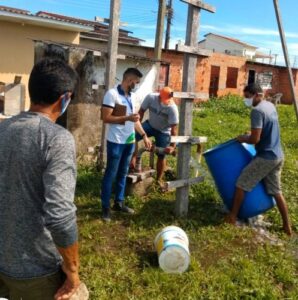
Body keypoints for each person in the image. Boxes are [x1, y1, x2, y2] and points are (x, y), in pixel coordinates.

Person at [0, 58, 82, 299]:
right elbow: (60, 215)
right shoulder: (57, 139)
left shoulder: (3, 130)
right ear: (64, 98)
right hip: (38, 271)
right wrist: (72, 269)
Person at [225, 83, 292, 236]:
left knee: (241, 183)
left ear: (256, 95)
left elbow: (255, 139)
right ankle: (287, 226)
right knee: (276, 191)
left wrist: (243, 138)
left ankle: (232, 217)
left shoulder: (257, 111)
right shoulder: (270, 105)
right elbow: (266, 128)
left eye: (247, 97)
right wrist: (253, 133)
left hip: (266, 157)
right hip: (278, 155)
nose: (246, 100)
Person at [101, 68, 151, 222]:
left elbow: (134, 119)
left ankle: (119, 202)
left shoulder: (133, 96)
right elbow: (105, 117)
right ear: (129, 80)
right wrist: (127, 117)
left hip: (129, 141)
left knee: (123, 173)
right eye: (136, 82)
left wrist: (144, 135)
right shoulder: (112, 94)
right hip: (115, 141)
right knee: (111, 173)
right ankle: (105, 208)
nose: (136, 85)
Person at [131, 86, 179, 182]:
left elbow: (174, 130)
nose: (166, 102)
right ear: (159, 96)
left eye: (168, 100)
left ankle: (158, 180)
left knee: (161, 155)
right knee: (132, 137)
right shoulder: (151, 97)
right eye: (164, 99)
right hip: (150, 125)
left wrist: (172, 147)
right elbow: (141, 111)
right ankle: (133, 165)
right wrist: (136, 128)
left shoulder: (172, 108)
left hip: (164, 132)